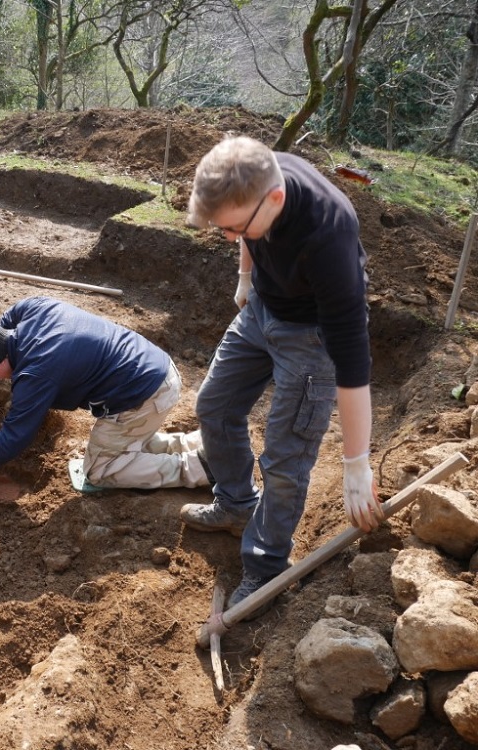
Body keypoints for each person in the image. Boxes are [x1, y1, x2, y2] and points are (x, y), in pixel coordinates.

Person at [181, 136, 384, 618]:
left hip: (312, 336)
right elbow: (247, 232)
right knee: (214, 405)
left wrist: (357, 465)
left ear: (273, 199)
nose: (230, 237)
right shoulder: (258, 173)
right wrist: (247, 280)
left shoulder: (328, 240)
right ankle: (235, 504)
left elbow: (354, 368)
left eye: (232, 229)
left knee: (285, 455)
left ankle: (267, 562)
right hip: (262, 309)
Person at [0, 295, 210, 491]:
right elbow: (0, 328)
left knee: (100, 471)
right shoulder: (36, 308)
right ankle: (204, 445)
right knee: (124, 442)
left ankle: (201, 468)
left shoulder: (35, 374)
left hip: (142, 395)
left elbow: (15, 436)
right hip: (156, 367)